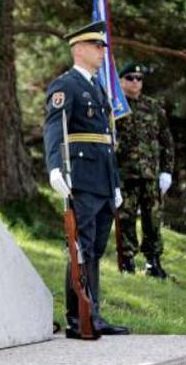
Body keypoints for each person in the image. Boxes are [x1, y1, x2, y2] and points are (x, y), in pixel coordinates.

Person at [43, 20, 129, 339]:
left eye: (102, 46)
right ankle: (77, 317)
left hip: (103, 180)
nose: (102, 52)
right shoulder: (66, 85)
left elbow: (107, 139)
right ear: (79, 49)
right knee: (82, 248)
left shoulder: (96, 87)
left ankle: (93, 313)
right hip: (82, 179)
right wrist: (54, 168)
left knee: (95, 249)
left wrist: (116, 182)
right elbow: (54, 128)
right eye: (97, 46)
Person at [115, 62, 175, 278]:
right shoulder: (114, 107)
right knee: (126, 217)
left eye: (139, 78)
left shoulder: (153, 107)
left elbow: (166, 141)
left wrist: (167, 171)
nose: (135, 82)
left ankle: (153, 262)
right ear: (121, 80)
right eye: (130, 78)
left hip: (150, 174)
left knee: (153, 218)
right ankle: (127, 260)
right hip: (124, 174)